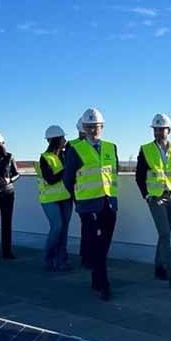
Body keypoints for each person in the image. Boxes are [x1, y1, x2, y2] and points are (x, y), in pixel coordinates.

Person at [64, 108, 118, 300]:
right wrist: (79, 198)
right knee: (98, 243)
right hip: (88, 205)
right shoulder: (74, 149)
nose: (92, 130)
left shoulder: (111, 147)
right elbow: (67, 179)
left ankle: (97, 279)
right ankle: (104, 284)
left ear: (101, 127)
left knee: (104, 245)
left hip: (109, 203)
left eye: (95, 126)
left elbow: (113, 173)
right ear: (83, 128)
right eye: (88, 127)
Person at [136, 113, 171, 287]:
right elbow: (139, 176)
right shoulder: (146, 149)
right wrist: (147, 195)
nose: (157, 132)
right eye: (155, 129)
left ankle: (158, 267)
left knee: (165, 235)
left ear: (168, 130)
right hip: (156, 198)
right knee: (165, 234)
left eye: (160, 129)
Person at [36, 125, 73, 271]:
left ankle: (61, 260)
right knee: (57, 227)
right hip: (50, 199)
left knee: (64, 229)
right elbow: (50, 179)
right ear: (55, 140)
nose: (65, 140)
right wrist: (66, 170)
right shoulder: (45, 158)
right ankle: (48, 258)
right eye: (63, 138)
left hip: (66, 197)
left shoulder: (66, 155)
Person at [75, 117, 91, 269]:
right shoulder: (73, 146)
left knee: (91, 225)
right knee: (87, 225)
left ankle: (89, 255)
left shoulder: (95, 145)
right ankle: (86, 256)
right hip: (80, 195)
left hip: (96, 194)